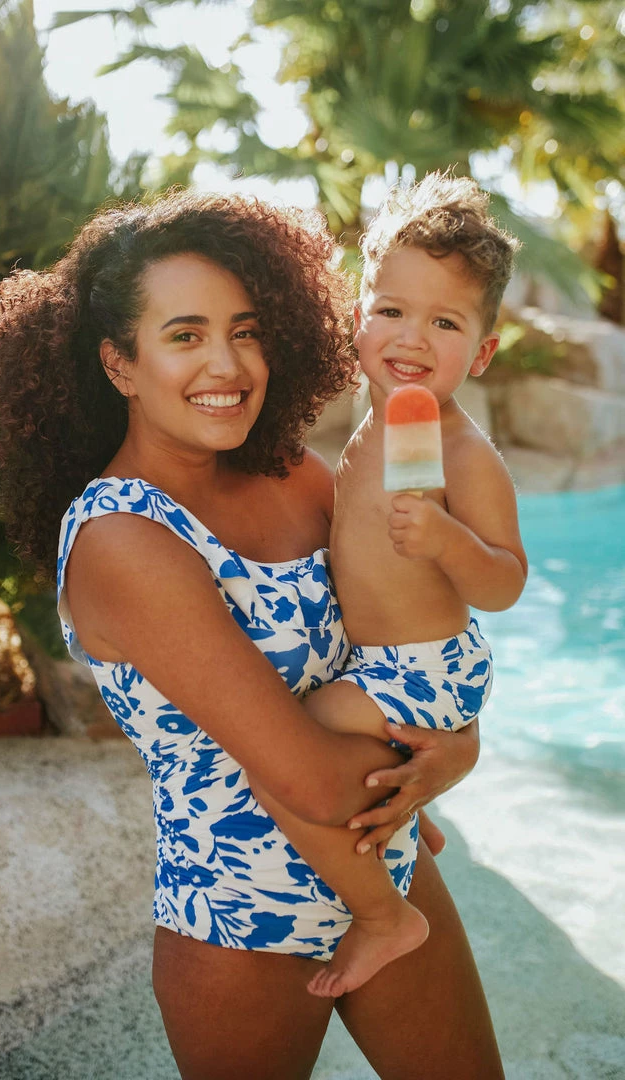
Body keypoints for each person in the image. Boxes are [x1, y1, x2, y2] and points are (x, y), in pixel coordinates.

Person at [0, 190, 505, 1079]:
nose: (228, 364)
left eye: (245, 330)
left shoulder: (295, 473)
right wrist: (431, 760)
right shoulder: (122, 540)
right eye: (184, 336)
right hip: (246, 921)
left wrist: (455, 749)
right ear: (118, 364)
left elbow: (411, 643)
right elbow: (307, 776)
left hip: (385, 864)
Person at [254, 173, 528, 1001]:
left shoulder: (463, 451)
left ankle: (384, 916)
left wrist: (447, 539)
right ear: (358, 317)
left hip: (427, 666)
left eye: (445, 322)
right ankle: (401, 819)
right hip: (387, 666)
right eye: (392, 310)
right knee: (322, 763)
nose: (412, 337)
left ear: (479, 352)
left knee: (287, 757)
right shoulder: (370, 433)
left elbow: (508, 582)